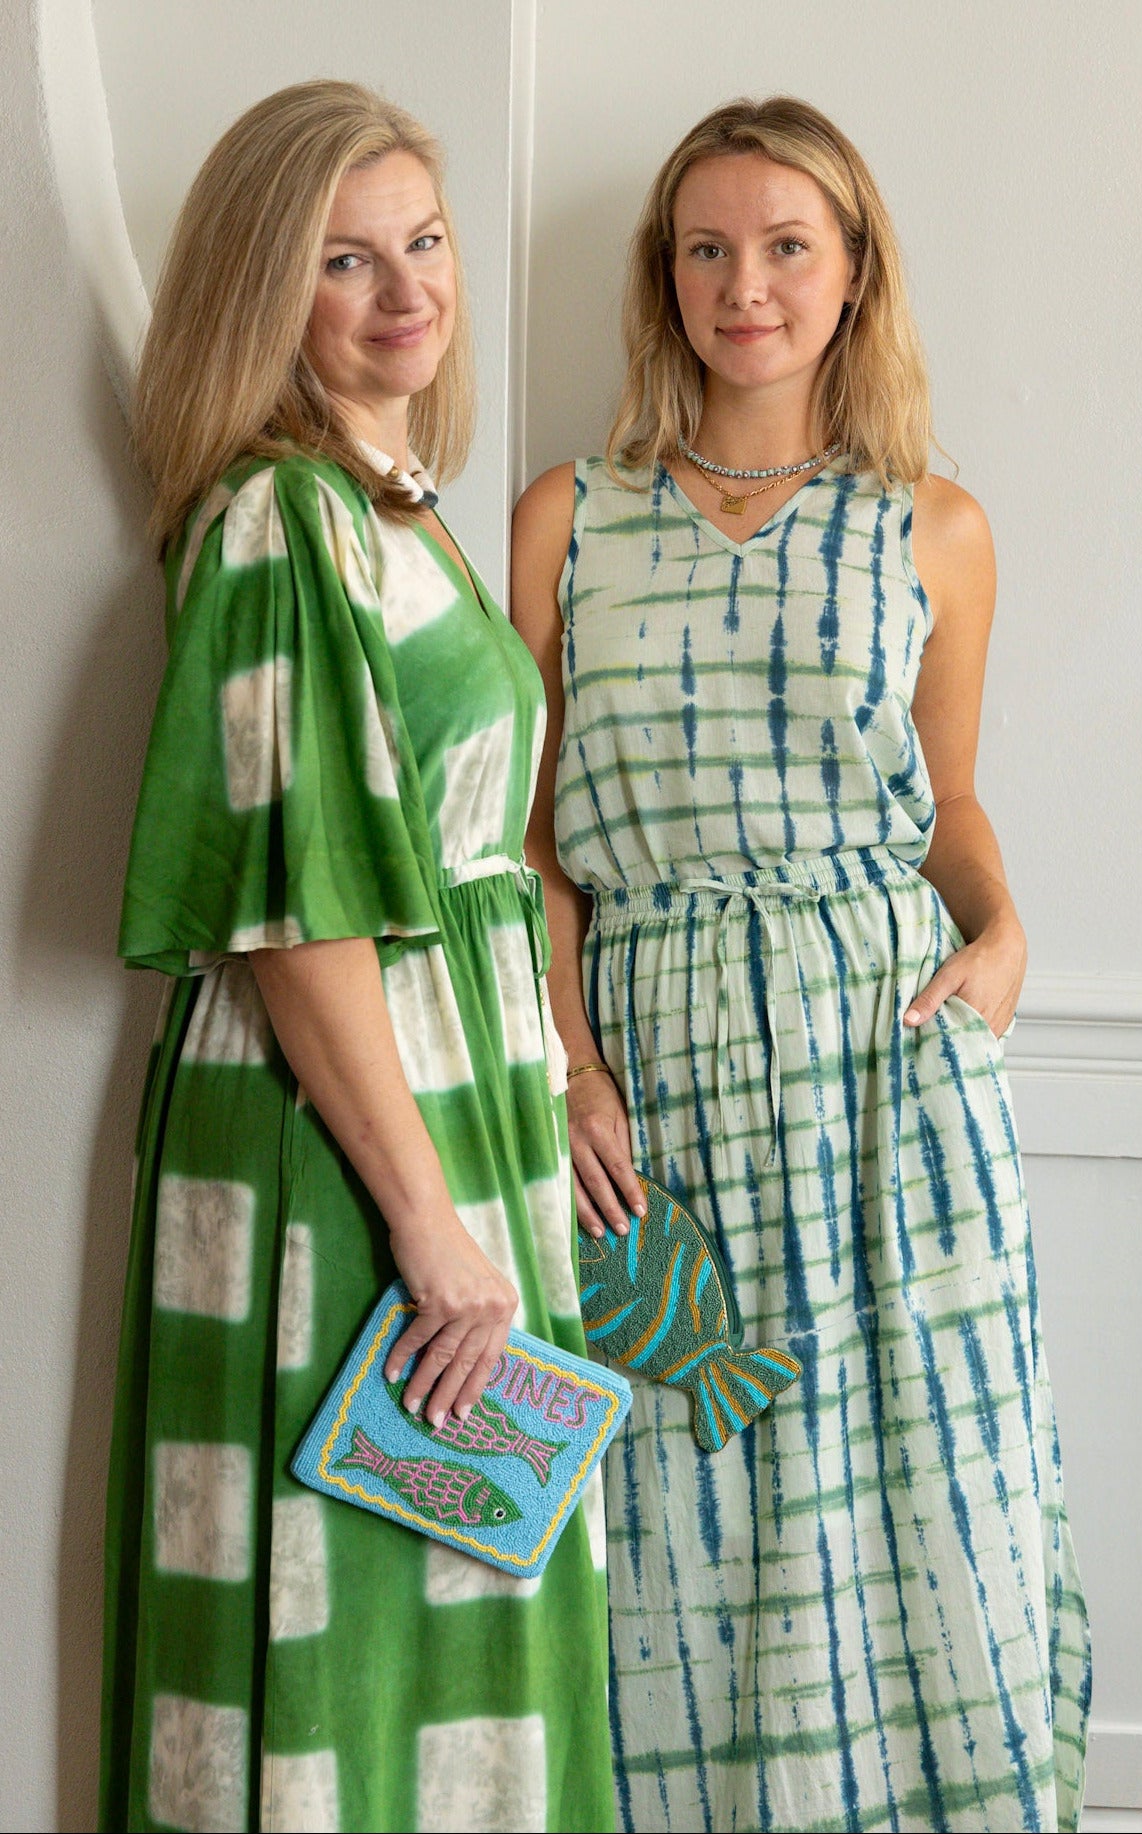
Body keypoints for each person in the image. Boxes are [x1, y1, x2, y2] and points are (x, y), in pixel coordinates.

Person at [513, 95, 1090, 1834]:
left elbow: (948, 801)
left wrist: (1003, 927)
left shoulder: (932, 524)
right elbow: (529, 844)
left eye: (783, 247)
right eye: (706, 249)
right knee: (679, 1501)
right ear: (663, 276)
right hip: (655, 1058)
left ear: (853, 276)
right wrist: (570, 1063)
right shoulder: (567, 517)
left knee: (923, 1488)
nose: (742, 286)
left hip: (883, 1068)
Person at [100, 80, 613, 1834]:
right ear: (265, 291)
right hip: (350, 1133)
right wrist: (424, 1218)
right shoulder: (277, 521)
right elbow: (298, 916)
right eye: (344, 260)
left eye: (424, 241)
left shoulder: (397, 505)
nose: (407, 292)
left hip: (459, 1102)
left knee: (458, 1576)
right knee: (355, 1593)